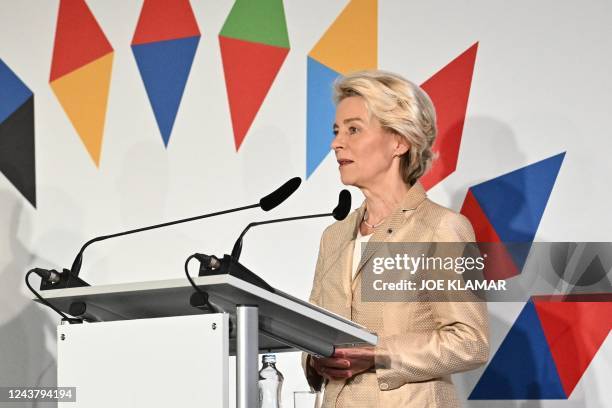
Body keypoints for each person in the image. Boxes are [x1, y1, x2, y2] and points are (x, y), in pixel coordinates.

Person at [301, 70, 489, 407]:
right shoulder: (334, 236)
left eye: (353, 130)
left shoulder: (442, 228)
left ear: (399, 141)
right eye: (336, 131)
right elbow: (316, 327)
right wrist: (314, 359)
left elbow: (470, 341)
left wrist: (377, 355)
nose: (335, 143)